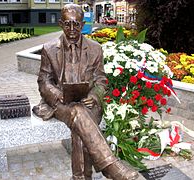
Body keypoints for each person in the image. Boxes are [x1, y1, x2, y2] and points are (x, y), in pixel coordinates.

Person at [33, 4, 138, 180]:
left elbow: (101, 80)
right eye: (67, 24)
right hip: (60, 103)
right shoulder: (49, 49)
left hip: (88, 102)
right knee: (78, 113)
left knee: (80, 122)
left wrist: (94, 95)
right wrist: (57, 94)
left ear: (83, 25)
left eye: (76, 24)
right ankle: (111, 166)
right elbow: (43, 81)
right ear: (60, 24)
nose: (72, 29)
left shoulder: (95, 48)